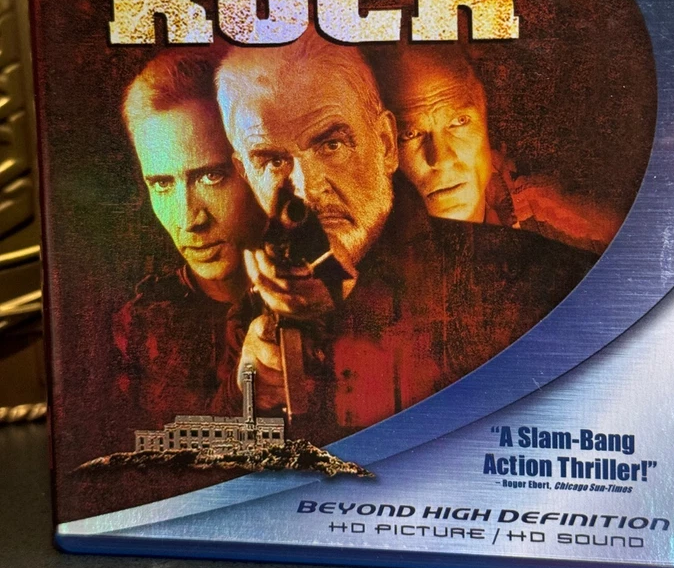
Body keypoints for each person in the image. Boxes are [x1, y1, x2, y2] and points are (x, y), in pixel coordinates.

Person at [216, 31, 596, 446]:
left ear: (384, 144)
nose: (305, 191)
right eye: (272, 161)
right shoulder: (248, 317)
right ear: (245, 172)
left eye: (331, 145)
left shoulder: (531, 278)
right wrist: (248, 397)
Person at [112, 47, 264, 435]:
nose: (188, 220)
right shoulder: (139, 327)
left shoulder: (335, 294)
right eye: (162, 184)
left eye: (211, 177)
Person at [371, 45, 619, 254]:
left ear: (484, 113)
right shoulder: (366, 254)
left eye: (459, 122)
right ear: (385, 145)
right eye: (410, 134)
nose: (442, 158)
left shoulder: (569, 229)